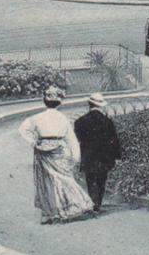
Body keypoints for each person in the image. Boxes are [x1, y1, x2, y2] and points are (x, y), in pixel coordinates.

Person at [18, 86, 94, 224]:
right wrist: (75, 157)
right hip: (59, 151)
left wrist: (34, 142)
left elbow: (23, 129)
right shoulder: (63, 119)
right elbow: (71, 139)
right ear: (59, 102)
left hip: (43, 151)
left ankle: (49, 212)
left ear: (44, 101)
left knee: (47, 182)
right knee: (64, 179)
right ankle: (73, 206)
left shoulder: (36, 118)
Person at [73, 93, 122, 212]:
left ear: (89, 105)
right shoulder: (107, 121)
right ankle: (98, 202)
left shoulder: (79, 122)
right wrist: (117, 156)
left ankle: (92, 201)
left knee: (90, 179)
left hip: (88, 155)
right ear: (101, 106)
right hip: (104, 156)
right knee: (102, 179)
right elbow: (114, 140)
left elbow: (77, 139)